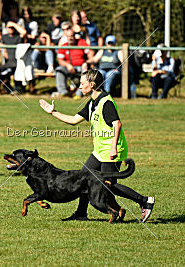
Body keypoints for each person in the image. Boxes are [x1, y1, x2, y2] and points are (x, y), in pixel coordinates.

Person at [39, 69, 155, 223]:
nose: (80, 87)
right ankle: (81, 213)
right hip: (99, 151)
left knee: (109, 185)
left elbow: (117, 124)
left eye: (82, 84)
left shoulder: (106, 102)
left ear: (92, 85)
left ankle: (144, 201)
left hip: (112, 150)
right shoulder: (93, 102)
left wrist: (113, 147)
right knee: (83, 179)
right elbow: (74, 120)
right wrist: (53, 112)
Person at [54, 28, 92, 97]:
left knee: (86, 72)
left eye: (72, 36)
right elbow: (60, 60)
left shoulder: (82, 42)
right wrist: (68, 65)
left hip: (81, 67)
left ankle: (79, 93)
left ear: (74, 36)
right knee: (59, 69)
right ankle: (63, 92)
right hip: (68, 68)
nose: (70, 38)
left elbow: (90, 53)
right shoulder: (63, 46)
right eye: (68, 36)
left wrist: (86, 62)